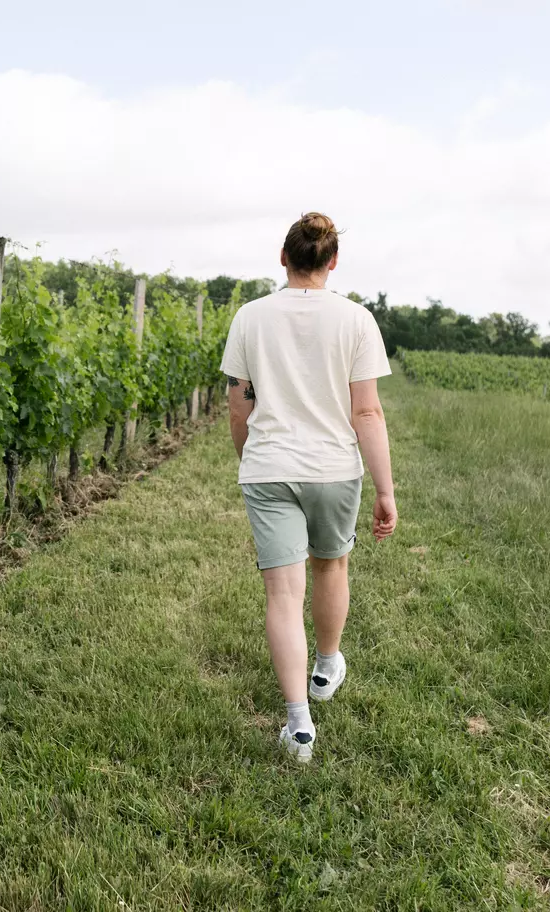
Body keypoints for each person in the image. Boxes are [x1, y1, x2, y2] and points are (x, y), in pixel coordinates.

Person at [219, 212, 397, 763]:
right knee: (331, 565)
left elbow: (237, 400)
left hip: (269, 465)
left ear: (283, 258)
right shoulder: (357, 320)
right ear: (333, 262)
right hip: (333, 468)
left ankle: (298, 725)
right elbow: (366, 410)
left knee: (281, 593)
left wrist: (252, 456)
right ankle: (326, 664)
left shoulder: (250, 317)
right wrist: (386, 491)